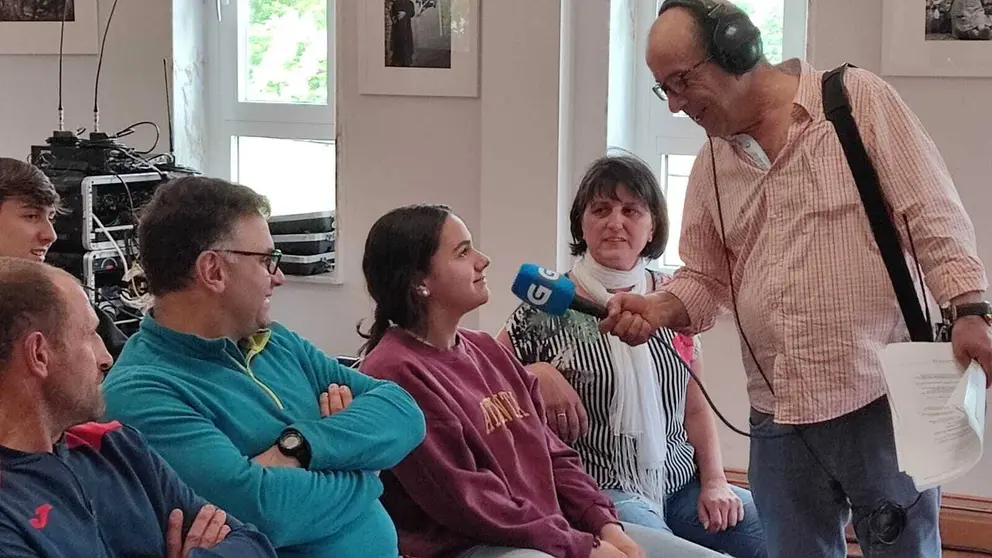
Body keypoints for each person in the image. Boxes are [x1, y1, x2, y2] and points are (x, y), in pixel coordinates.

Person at [599, 1, 992, 557]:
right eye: (663, 90)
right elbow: (706, 279)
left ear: (737, 49)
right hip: (778, 417)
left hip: (877, 396)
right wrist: (659, 309)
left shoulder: (855, 103)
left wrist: (971, 308)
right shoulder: (713, 162)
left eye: (682, 82)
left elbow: (934, 214)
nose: (676, 105)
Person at [357, 203, 723, 558]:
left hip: (549, 531)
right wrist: (581, 547)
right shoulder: (396, 372)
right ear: (420, 282)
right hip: (475, 543)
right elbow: (468, 502)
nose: (482, 259)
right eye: (463, 251)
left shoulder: (485, 349)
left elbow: (555, 455)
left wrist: (604, 523)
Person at [101, 177, 427, 558]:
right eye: (267, 260)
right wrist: (366, 469)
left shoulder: (275, 340)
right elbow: (264, 513)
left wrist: (302, 447)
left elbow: (404, 413)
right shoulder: (142, 391)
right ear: (213, 271)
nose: (279, 277)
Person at [498, 153, 766, 558]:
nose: (615, 222)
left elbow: (694, 407)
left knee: (778, 532)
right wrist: (534, 372)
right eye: (601, 209)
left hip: (681, 484)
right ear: (581, 222)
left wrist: (715, 481)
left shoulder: (673, 299)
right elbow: (482, 376)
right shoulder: (547, 304)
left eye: (631, 210)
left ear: (652, 223)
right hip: (601, 494)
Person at [0, 257, 277, 557]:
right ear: (39, 354)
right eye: (89, 335)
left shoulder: (117, 445)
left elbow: (253, 545)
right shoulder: (8, 511)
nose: (106, 357)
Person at [0, 157, 128, 362]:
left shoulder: (55, 294)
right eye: (31, 216)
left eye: (50, 218)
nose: (50, 235)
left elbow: (124, 359)